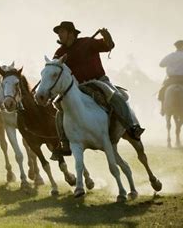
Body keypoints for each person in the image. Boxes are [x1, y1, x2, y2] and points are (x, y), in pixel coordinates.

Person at [49, 21, 145, 161]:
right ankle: (64, 143)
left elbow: (108, 46)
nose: (59, 34)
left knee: (115, 97)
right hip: (77, 87)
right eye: (58, 32)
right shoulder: (59, 52)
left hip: (98, 81)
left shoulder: (87, 42)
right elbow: (55, 69)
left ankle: (131, 128)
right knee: (60, 109)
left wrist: (107, 37)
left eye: (62, 31)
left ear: (71, 33)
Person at [158, 40, 183, 115]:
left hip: (171, 79)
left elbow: (161, 64)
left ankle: (163, 109)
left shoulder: (170, 56)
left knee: (162, 91)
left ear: (176, 47)